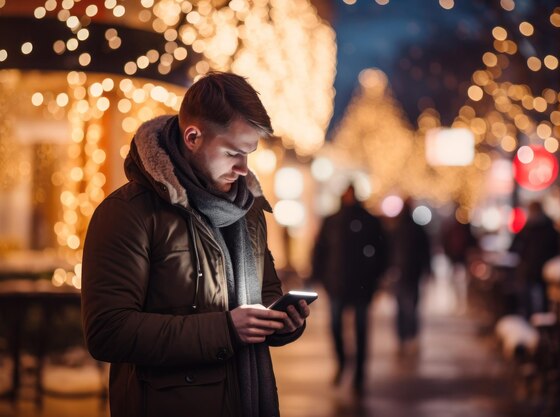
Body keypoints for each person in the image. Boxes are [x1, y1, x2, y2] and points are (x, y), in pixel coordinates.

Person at [81, 72, 310, 417]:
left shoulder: (247, 209)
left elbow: (265, 294)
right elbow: (108, 331)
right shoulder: (128, 213)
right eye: (233, 152)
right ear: (193, 137)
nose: (243, 169)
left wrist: (282, 320)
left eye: (249, 154)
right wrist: (226, 329)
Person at [311, 184, 388, 394]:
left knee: (361, 329)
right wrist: (319, 277)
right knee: (336, 326)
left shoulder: (368, 221)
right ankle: (343, 363)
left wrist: (377, 277)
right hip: (338, 284)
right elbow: (320, 250)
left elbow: (382, 251)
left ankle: (359, 372)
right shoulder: (333, 221)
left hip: (361, 284)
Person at [390, 199, 431, 354]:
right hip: (412, 273)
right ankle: (411, 336)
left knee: (402, 308)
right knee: (411, 307)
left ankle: (403, 338)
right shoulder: (416, 229)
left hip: (401, 273)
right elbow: (426, 251)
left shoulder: (397, 228)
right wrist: (426, 269)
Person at [509, 201, 560, 316]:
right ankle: (538, 318)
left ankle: (533, 319)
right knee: (540, 300)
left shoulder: (529, 228)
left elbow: (515, 247)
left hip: (535, 269)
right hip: (538, 269)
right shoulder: (548, 227)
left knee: (532, 299)